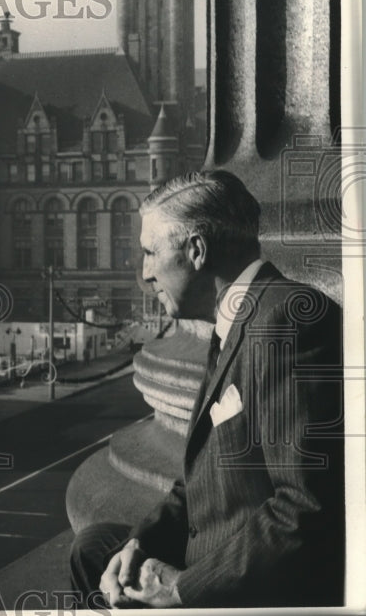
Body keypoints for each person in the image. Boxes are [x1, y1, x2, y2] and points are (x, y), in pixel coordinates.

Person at [69, 170, 344, 608]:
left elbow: (303, 509)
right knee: (96, 548)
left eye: (150, 253)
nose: (145, 274)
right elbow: (196, 480)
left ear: (196, 250)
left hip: (242, 585)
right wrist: (140, 542)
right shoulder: (237, 321)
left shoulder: (284, 322)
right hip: (212, 551)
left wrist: (182, 587)